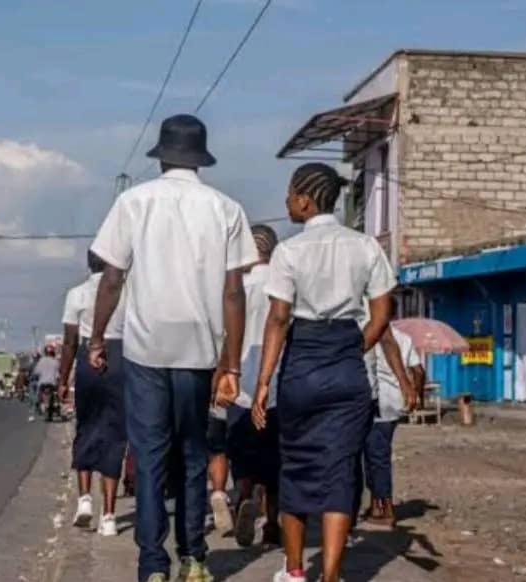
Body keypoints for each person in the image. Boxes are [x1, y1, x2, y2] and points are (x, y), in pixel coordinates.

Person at [88, 114, 257, 582]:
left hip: (145, 348)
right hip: (200, 350)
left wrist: (98, 336)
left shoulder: (134, 202)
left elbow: (113, 277)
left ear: (161, 155)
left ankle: (152, 565)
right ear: (201, 158)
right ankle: (194, 558)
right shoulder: (226, 208)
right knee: (193, 454)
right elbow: (233, 293)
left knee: (149, 456)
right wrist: (232, 365)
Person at [250, 163, 416, 582]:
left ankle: (293, 571)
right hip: (346, 368)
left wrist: (263, 383)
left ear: (305, 199)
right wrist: (348, 350)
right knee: (341, 469)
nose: (286, 202)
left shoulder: (288, 251)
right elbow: (382, 314)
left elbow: (278, 319)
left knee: (296, 466)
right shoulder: (364, 247)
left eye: (290, 194)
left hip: (301, 367)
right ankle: (330, 574)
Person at [206, 224, 280, 547]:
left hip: (238, 385)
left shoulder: (236, 288)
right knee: (275, 459)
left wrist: (219, 375)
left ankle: (245, 495)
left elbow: (221, 336)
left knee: (242, 453)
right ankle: (273, 523)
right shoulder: (282, 284)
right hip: (276, 383)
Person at [59, 250, 128, 537]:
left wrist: (63, 378)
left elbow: (69, 341)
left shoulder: (77, 294)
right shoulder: (127, 292)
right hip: (120, 357)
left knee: (86, 427)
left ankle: (85, 499)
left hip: (89, 355)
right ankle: (109, 515)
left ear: (89, 263)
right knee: (115, 433)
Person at [360, 315, 424, 527]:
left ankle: (385, 507)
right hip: (395, 402)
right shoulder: (404, 338)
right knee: (375, 453)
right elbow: (418, 370)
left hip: (377, 401)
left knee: (376, 456)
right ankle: (376, 503)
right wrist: (417, 393)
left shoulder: (370, 333)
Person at [31, 344, 60, 422]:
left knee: (38, 394)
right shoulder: (56, 361)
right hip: (52, 383)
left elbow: (36, 372)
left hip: (42, 383)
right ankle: (55, 407)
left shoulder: (41, 361)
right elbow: (58, 375)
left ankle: (39, 406)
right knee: (55, 395)